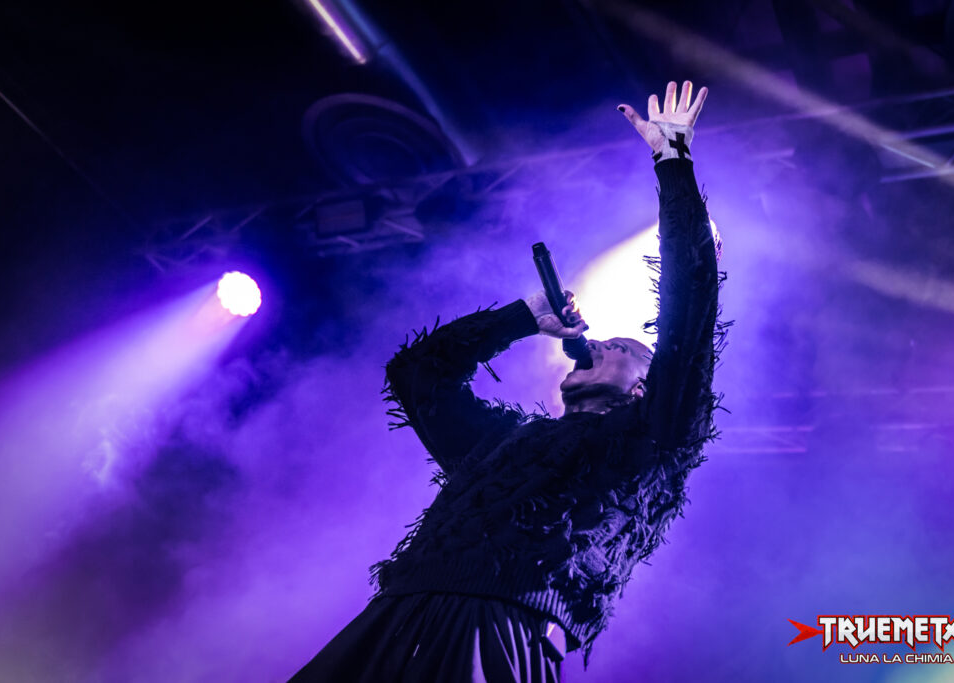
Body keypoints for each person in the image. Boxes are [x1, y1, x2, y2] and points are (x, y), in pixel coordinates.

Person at [291, 80, 723, 682]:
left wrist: (672, 159)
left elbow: (689, 311)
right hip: (393, 620)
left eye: (622, 348)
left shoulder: (651, 442)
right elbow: (419, 374)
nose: (600, 343)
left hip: (501, 631)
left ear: (643, 389)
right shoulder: (502, 443)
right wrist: (524, 317)